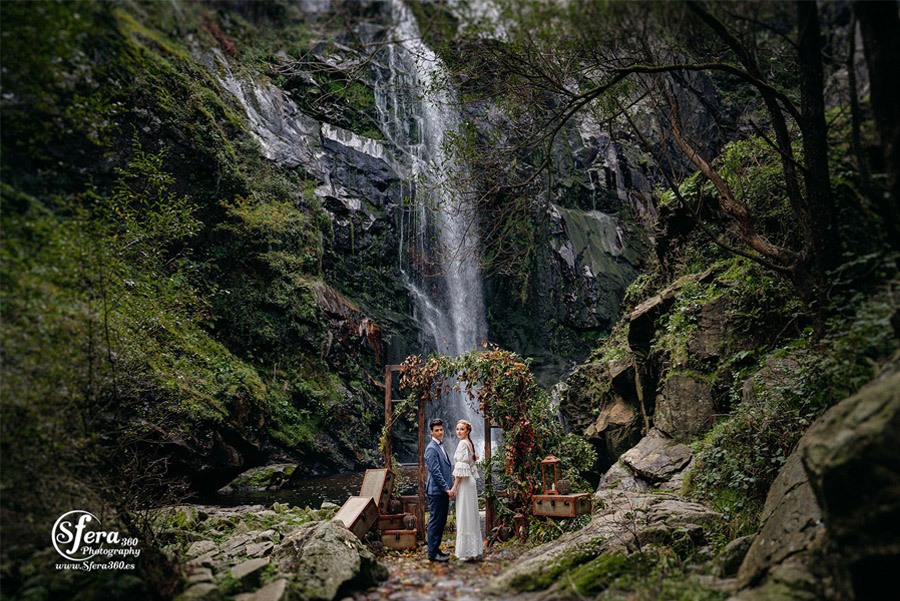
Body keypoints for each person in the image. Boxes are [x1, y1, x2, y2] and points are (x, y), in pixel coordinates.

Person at [449, 419, 484, 561]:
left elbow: (460, 469)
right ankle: (473, 551)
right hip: (470, 482)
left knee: (464, 515)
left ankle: (466, 552)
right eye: (457, 429)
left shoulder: (463, 443)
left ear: (467, 430)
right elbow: (470, 464)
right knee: (470, 515)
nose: (459, 431)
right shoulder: (469, 443)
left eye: (462, 429)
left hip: (464, 483)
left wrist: (454, 487)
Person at [424, 418, 455, 562]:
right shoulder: (431, 448)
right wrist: (446, 489)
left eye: (441, 430)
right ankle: (432, 554)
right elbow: (435, 472)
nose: (440, 432)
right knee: (435, 522)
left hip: (441, 491)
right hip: (437, 491)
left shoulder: (440, 445)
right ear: (431, 432)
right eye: (437, 430)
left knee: (441, 522)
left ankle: (436, 550)